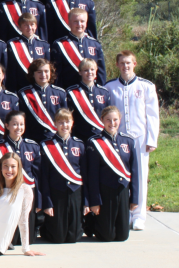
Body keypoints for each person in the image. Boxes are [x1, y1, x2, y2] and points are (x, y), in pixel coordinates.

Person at [105, 51, 159, 231]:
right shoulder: (110, 87)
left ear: (134, 64)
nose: (125, 66)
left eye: (128, 63)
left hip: (140, 139)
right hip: (119, 141)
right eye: (122, 63)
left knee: (140, 177)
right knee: (121, 177)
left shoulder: (146, 86)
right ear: (117, 65)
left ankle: (139, 216)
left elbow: (152, 115)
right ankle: (125, 213)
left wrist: (152, 139)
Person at [85, 106, 140, 242]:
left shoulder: (128, 141)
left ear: (120, 120)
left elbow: (135, 172)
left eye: (115, 120)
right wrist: (95, 201)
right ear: (102, 120)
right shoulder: (95, 142)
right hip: (105, 191)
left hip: (122, 190)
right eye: (108, 120)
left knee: (122, 236)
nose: (112, 123)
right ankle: (92, 225)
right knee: (107, 236)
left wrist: (134, 199)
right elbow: (92, 176)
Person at [0, 110, 41, 242]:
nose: (19, 127)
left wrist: (39, 200)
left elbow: (38, 176)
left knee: (29, 237)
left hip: (27, 193)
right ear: (7, 126)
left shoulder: (33, 146)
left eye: (21, 124)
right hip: (6, 193)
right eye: (15, 124)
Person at [40, 109, 86, 243]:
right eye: (60, 122)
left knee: (73, 238)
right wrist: (47, 203)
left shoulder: (79, 144)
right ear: (55, 124)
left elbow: (85, 174)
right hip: (56, 192)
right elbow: (44, 176)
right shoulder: (46, 146)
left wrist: (86, 201)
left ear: (72, 123)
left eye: (67, 122)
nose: (64, 125)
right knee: (57, 237)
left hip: (75, 192)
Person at [52, 8, 106, 89]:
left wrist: (100, 90)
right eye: (75, 21)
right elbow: (57, 73)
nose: (79, 24)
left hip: (92, 90)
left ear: (86, 23)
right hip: (69, 92)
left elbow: (101, 71)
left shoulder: (95, 44)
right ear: (69, 23)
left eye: (82, 21)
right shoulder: (59, 44)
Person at [18, 59, 67, 143]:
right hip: (33, 139)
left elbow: (65, 118)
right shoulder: (24, 94)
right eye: (39, 72)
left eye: (46, 71)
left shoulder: (60, 93)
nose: (43, 74)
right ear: (33, 74)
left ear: (51, 73)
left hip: (55, 140)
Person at [66, 58, 111, 143]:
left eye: (92, 69)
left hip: (100, 137)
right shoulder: (71, 92)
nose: (90, 72)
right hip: (80, 137)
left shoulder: (104, 92)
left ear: (96, 71)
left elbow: (108, 114)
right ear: (80, 72)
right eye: (86, 70)